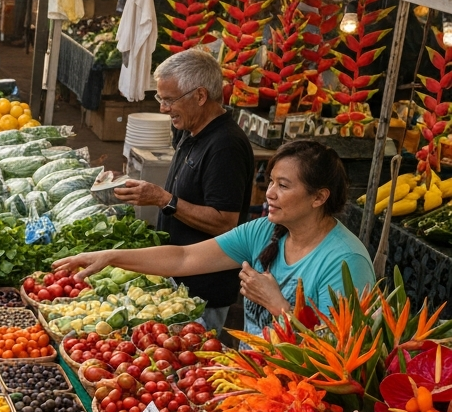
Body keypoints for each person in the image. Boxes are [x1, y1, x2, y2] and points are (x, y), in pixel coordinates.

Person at [54, 140, 375, 337]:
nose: (271, 194)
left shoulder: (345, 262)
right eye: (271, 182)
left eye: (284, 186)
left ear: (319, 197)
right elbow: (184, 258)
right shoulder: (264, 230)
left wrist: (280, 307)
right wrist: (110, 256)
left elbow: (341, 350)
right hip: (253, 380)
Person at [111, 49, 255, 332]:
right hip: (180, 276)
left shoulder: (225, 146)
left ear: (200, 96)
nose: (163, 108)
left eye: (169, 100)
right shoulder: (191, 131)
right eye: (160, 98)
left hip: (203, 290)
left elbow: (225, 222)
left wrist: (164, 200)